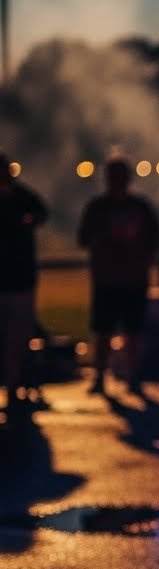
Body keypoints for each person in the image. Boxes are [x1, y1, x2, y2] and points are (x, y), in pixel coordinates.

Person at [77, 157, 159, 396]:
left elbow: (155, 239)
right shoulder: (98, 207)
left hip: (133, 278)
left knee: (134, 331)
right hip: (106, 279)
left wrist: (142, 257)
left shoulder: (139, 207)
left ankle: (133, 376)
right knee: (103, 330)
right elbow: (83, 237)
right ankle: (100, 376)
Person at [0, 154, 49, 423]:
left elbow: (42, 213)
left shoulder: (21, 197)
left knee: (17, 339)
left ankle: (13, 389)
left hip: (19, 281)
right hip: (9, 281)